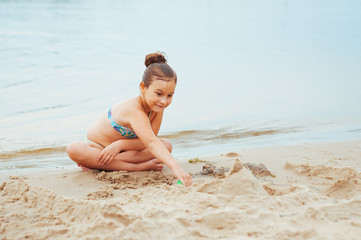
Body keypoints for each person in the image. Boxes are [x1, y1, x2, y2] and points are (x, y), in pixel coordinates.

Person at [66, 52, 192, 187]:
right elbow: (150, 143)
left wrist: (120, 144)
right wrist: (176, 167)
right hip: (98, 147)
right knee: (73, 148)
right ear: (143, 87)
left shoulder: (157, 108)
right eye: (159, 93)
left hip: (124, 152)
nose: (163, 101)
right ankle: (136, 167)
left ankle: (102, 164)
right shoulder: (134, 110)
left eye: (169, 95)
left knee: (166, 145)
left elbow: (149, 141)